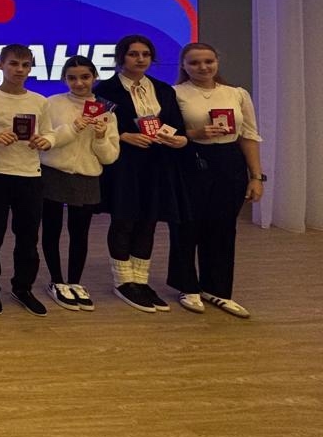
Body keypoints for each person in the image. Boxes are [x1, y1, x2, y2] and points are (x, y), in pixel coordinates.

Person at [94, 34, 189, 314]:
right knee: (124, 219)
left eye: (145, 54)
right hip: (124, 164)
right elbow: (97, 124)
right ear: (121, 57)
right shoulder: (106, 89)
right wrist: (125, 135)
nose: (140, 59)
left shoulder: (163, 89)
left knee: (149, 221)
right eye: (133, 54)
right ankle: (123, 281)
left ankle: (141, 280)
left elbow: (176, 124)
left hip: (158, 162)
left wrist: (174, 138)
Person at [168, 42, 263, 318]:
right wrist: (195, 134)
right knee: (187, 226)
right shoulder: (174, 93)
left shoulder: (237, 94)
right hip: (190, 161)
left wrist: (256, 176)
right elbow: (167, 132)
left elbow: (249, 136)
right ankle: (187, 286)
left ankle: (217, 289)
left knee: (223, 228)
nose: (203, 67)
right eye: (194, 62)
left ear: (217, 62)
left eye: (208, 61)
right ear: (184, 65)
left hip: (229, 163)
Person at [0, 45, 64, 318]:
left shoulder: (40, 101)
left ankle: (23, 288)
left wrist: (45, 141)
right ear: (0, 65)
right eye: (14, 64)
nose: (19, 70)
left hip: (29, 176)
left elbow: (50, 133)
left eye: (25, 65)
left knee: (28, 239)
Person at [39, 55, 120, 312]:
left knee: (79, 232)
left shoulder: (106, 110)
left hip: (87, 176)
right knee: (51, 230)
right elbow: (45, 142)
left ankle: (75, 281)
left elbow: (109, 157)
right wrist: (73, 127)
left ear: (94, 77)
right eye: (72, 78)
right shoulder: (52, 104)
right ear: (64, 79)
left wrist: (100, 137)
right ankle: (56, 280)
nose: (79, 83)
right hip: (53, 173)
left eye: (85, 77)